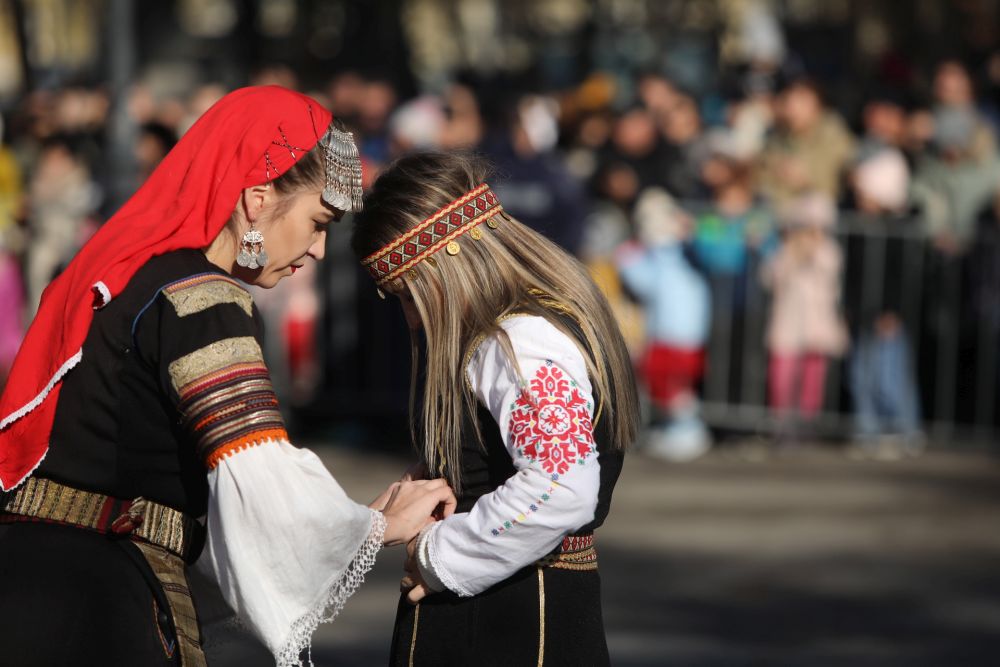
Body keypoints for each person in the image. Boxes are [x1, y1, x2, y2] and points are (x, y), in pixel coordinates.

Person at [0, 86, 456, 667]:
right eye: (318, 221)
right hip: (99, 608)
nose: (318, 249)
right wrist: (376, 526)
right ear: (257, 199)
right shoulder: (205, 299)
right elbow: (257, 477)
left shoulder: (126, 279)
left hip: (27, 584)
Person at [351, 151, 640, 666]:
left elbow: (560, 486)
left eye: (408, 295)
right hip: (504, 601)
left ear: (446, 262)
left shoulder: (519, 339)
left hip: (513, 618)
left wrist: (439, 555)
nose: (411, 320)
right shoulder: (514, 332)